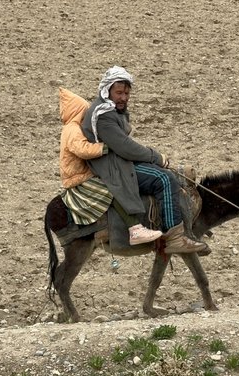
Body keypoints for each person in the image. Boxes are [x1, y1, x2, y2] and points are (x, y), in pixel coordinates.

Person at [80, 66, 208, 254]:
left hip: (119, 159)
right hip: (113, 166)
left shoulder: (112, 109)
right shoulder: (103, 116)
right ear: (107, 91)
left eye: (126, 93)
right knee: (165, 179)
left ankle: (186, 226)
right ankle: (174, 237)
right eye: (119, 93)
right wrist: (156, 157)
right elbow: (125, 147)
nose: (123, 97)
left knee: (176, 174)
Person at [58, 87, 163, 246]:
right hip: (79, 177)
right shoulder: (72, 129)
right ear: (77, 111)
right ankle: (134, 228)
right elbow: (82, 149)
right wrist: (105, 147)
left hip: (82, 173)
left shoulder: (72, 128)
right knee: (114, 188)